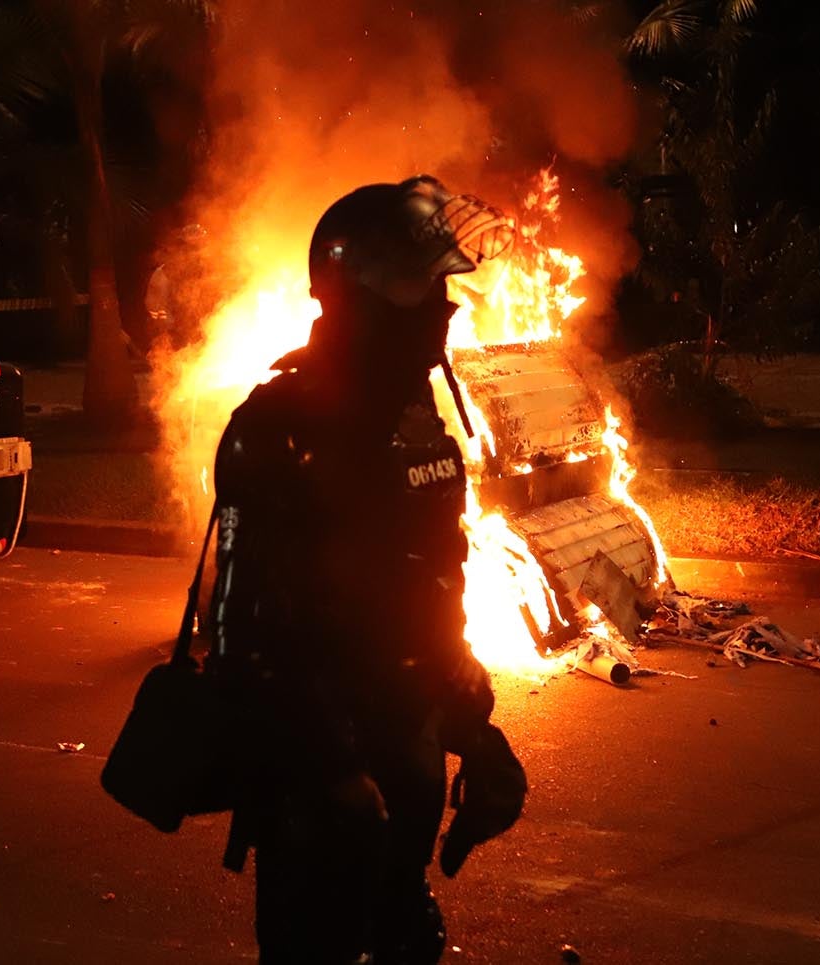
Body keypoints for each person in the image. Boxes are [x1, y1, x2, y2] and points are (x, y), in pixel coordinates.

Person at [208, 175, 527, 964]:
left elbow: (431, 595)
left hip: (402, 778)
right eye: (419, 281)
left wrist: (474, 729)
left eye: (443, 280)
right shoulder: (277, 425)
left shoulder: (416, 419)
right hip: (315, 801)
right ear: (350, 289)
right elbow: (242, 634)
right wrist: (332, 772)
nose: (443, 304)